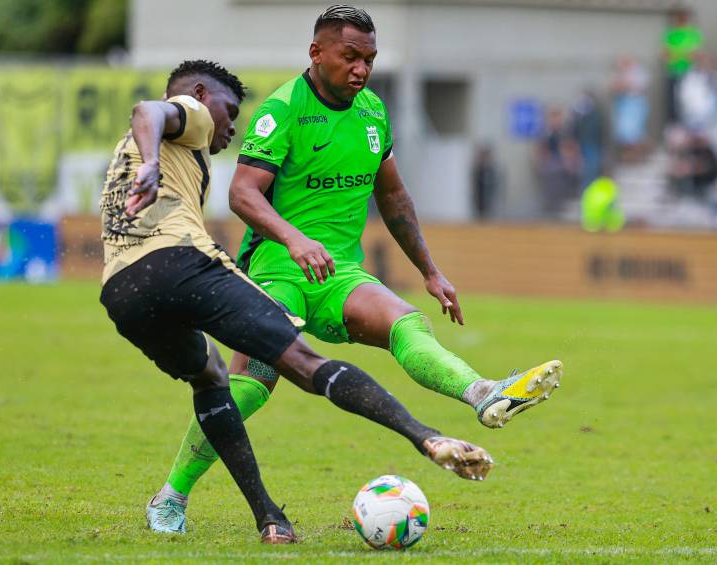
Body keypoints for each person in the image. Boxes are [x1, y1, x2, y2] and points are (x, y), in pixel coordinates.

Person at [146, 7, 563, 534]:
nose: (362, 69)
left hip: (339, 273)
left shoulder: (372, 112)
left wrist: (431, 272)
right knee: (252, 384)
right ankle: (170, 497)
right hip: (276, 270)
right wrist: (296, 239)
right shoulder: (284, 109)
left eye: (369, 58)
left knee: (407, 322)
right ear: (317, 52)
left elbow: (393, 196)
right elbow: (242, 193)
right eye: (351, 56)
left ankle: (484, 394)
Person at [100, 58, 496, 544]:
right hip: (189, 264)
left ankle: (251, 514)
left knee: (213, 380)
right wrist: (157, 160)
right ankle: (426, 437)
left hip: (122, 291)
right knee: (298, 361)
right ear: (203, 96)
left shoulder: (151, 154)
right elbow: (149, 110)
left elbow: (393, 193)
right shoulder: (194, 112)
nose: (231, 127)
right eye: (229, 112)